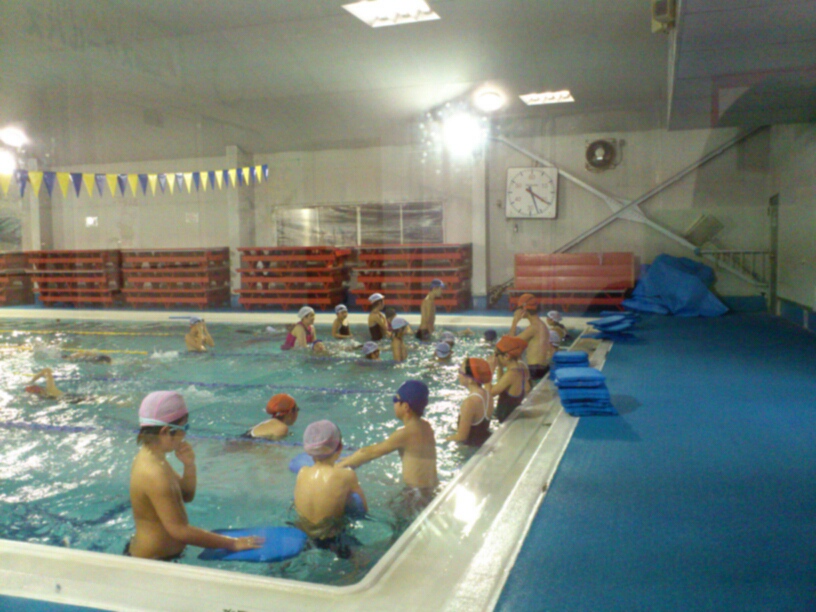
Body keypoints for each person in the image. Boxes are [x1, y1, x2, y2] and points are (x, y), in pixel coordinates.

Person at [127, 391, 262, 560]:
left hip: (158, 557)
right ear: (166, 431)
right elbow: (180, 530)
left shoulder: (154, 458)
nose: (185, 435)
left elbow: (186, 496)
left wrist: (189, 466)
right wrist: (233, 543)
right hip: (151, 562)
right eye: (184, 428)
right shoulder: (154, 473)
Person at [338, 380, 438, 495]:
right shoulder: (426, 427)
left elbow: (370, 453)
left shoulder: (405, 434)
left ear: (405, 407)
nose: (393, 404)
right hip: (431, 489)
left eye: (395, 400)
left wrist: (339, 466)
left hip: (415, 494)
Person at [294, 420, 367, 559]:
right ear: (340, 448)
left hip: (303, 533)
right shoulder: (347, 475)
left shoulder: (302, 472)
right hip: (333, 537)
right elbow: (362, 510)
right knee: (364, 560)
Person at [446, 358, 493, 447]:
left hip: (471, 448)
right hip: (483, 442)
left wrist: (443, 440)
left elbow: (461, 437)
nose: (458, 374)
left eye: (461, 371)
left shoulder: (470, 403)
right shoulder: (488, 395)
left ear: (470, 379)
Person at [486, 335, 531, 424]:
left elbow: (489, 394)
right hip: (511, 415)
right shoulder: (520, 368)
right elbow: (501, 385)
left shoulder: (512, 374)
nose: (494, 357)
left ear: (506, 356)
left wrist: (489, 371)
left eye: (496, 354)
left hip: (507, 419)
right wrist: (499, 367)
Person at [509, 294, 553, 382]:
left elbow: (509, 345)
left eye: (519, 308)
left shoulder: (533, 327)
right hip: (543, 368)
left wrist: (515, 321)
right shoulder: (541, 324)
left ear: (524, 309)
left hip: (534, 371)